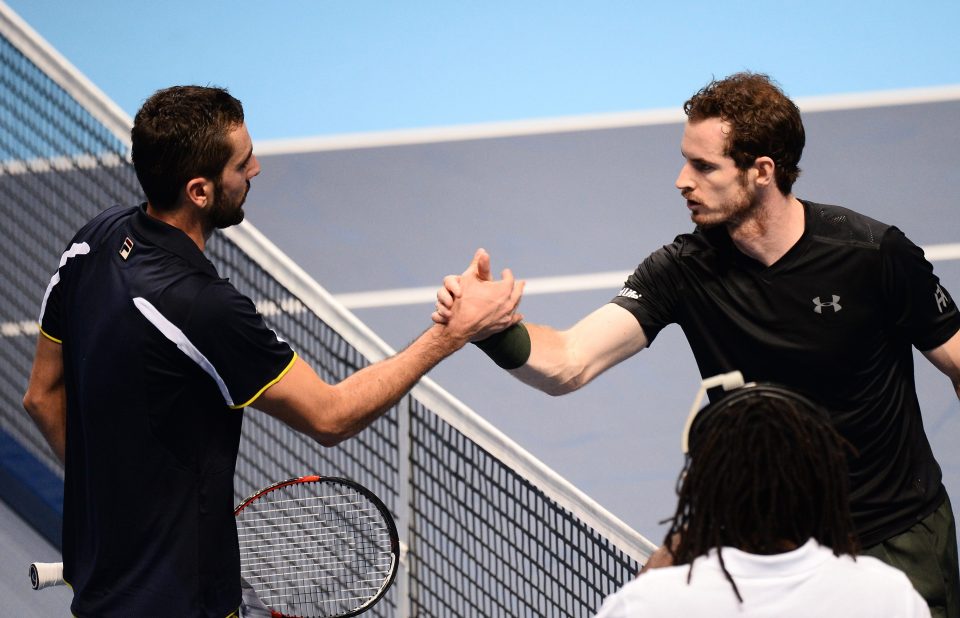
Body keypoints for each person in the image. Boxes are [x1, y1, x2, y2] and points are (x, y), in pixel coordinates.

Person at [435, 72, 960, 616]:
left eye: (704, 166)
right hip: (761, 545)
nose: (682, 180)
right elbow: (570, 362)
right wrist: (493, 329)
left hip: (893, 537)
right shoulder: (684, 269)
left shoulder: (872, 255)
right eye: (686, 160)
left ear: (762, 171)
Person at [21, 85, 524, 618]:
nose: (256, 169)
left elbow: (40, 397)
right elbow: (331, 417)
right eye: (241, 164)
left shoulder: (93, 240)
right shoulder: (201, 308)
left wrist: (107, 515)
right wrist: (451, 334)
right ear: (199, 190)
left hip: (102, 590)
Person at [594, 381, 931, 617]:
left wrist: (652, 577)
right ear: (821, 488)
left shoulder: (649, 604)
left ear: (707, 491)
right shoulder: (888, 595)